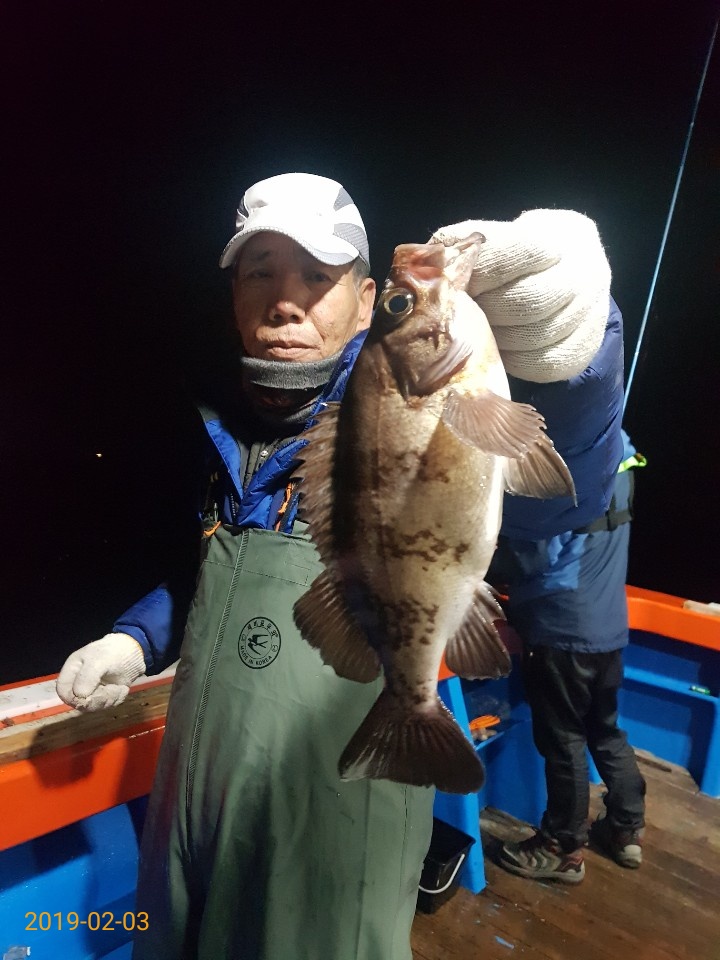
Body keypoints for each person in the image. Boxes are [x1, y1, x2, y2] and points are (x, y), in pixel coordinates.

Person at [56, 173, 616, 957]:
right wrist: (138, 638)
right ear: (234, 297)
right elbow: (211, 574)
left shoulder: (408, 401)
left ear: (364, 302)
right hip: (188, 819)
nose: (286, 301)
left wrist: (585, 351)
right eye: (261, 273)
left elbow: (568, 493)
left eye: (317, 276)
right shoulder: (228, 429)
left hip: (333, 835)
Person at [484, 316, 646, 883]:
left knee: (563, 739)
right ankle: (625, 828)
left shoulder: (569, 474)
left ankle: (562, 846)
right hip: (609, 630)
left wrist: (486, 564)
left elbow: (537, 556)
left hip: (561, 628)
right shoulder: (623, 462)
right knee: (607, 729)